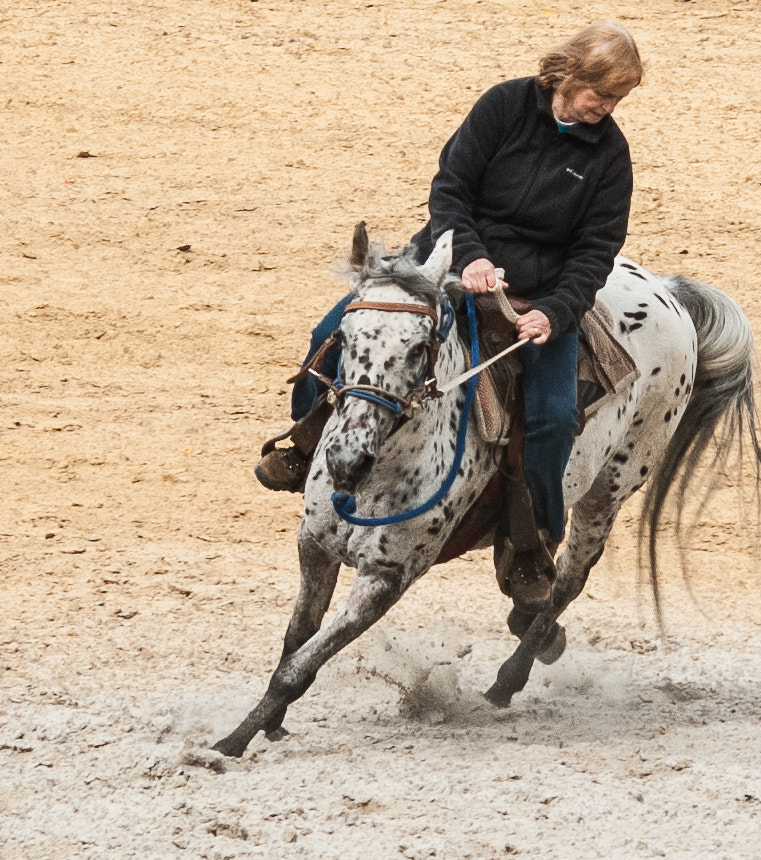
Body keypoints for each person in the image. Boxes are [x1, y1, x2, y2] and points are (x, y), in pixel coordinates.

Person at [256, 21, 643, 609]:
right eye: (601, 94)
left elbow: (595, 250)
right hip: (443, 259)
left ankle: (531, 541)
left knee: (555, 417)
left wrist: (556, 314)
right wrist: (473, 254)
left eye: (617, 100)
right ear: (569, 75)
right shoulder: (506, 105)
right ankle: (304, 447)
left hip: (532, 299)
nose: (608, 108)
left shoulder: (610, 155)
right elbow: (451, 187)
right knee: (330, 331)